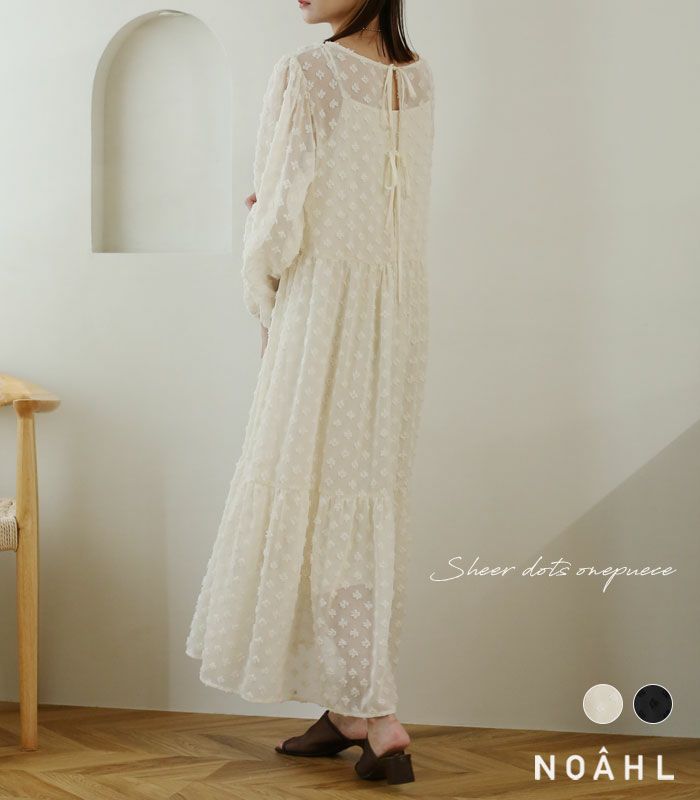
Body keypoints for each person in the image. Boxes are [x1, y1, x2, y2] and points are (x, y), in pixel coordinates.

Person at [186, 0, 434, 785]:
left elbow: (279, 219)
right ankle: (351, 708)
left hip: (321, 314)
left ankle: (377, 713)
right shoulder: (419, 80)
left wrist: (261, 285)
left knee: (314, 495)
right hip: (397, 321)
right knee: (359, 504)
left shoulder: (309, 73)